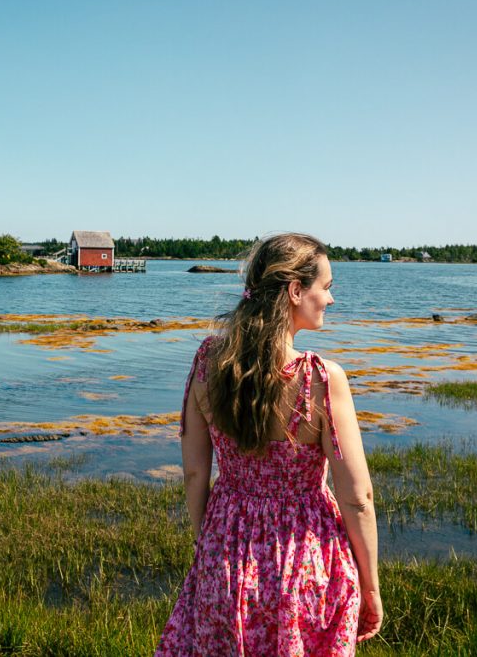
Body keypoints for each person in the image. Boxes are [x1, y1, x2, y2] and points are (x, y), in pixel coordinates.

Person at [155, 233, 382, 656]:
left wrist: (209, 547)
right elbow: (358, 498)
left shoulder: (208, 361)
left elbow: (193, 473)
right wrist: (371, 586)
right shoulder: (321, 378)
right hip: (305, 562)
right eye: (326, 287)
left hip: (224, 552)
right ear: (296, 290)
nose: (331, 300)